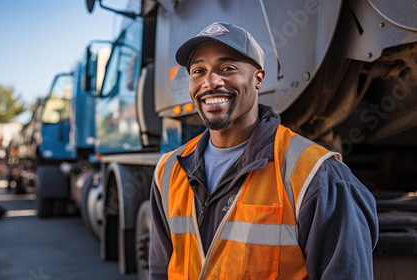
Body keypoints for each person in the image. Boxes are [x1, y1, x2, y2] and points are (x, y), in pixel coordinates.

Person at [149, 22, 379, 279]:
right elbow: (161, 269)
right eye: (198, 71)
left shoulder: (317, 176)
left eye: (227, 68)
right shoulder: (168, 171)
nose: (210, 82)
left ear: (258, 79)